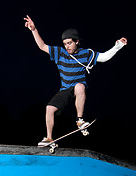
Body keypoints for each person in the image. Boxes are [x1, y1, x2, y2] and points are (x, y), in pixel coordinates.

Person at [24, 15, 127, 147]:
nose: (67, 47)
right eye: (65, 44)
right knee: (49, 108)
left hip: (79, 88)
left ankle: (79, 120)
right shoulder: (60, 53)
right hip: (65, 89)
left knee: (79, 86)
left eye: (70, 43)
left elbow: (104, 57)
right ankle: (49, 138)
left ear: (77, 41)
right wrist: (33, 30)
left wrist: (117, 46)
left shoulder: (86, 54)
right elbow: (42, 46)